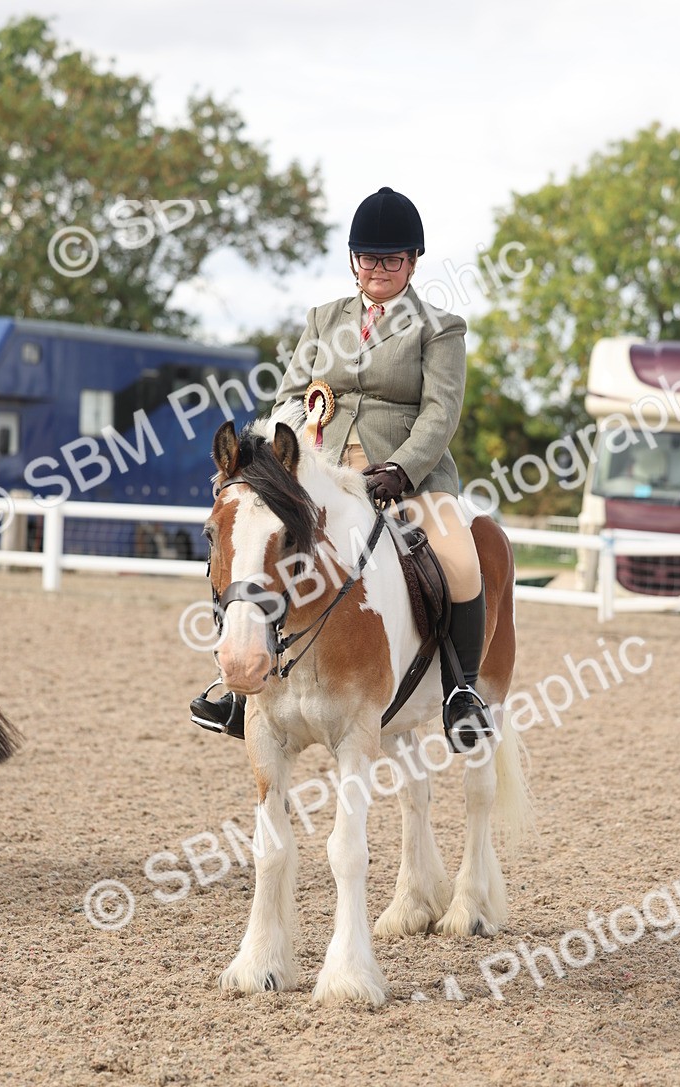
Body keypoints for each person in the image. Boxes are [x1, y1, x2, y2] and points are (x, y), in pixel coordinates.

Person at [191, 186, 492, 751]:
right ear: (353, 260)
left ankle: (461, 693)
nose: (379, 269)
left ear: (413, 262)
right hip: (318, 472)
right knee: (250, 542)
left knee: (460, 559)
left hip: (406, 477)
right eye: (369, 258)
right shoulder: (324, 319)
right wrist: (283, 454)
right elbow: (289, 396)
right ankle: (238, 686)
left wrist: (401, 470)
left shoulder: (439, 328)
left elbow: (440, 412)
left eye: (393, 259)